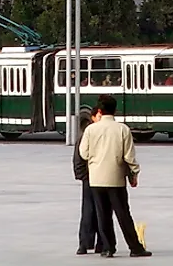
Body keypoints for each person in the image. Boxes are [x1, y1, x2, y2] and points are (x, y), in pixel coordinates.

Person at [78, 94, 152, 258]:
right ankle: (135, 247)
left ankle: (108, 248)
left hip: (96, 178)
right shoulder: (122, 129)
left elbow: (83, 153)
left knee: (102, 215)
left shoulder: (90, 129)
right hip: (116, 178)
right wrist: (134, 173)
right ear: (115, 110)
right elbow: (129, 157)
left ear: (100, 110)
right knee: (123, 214)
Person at [74, 109, 103, 255]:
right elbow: (79, 157)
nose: (101, 118)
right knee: (89, 211)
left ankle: (101, 243)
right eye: (99, 116)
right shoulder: (88, 133)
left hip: (103, 178)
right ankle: (84, 243)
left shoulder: (103, 132)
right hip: (91, 179)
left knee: (102, 212)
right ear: (92, 118)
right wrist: (83, 176)